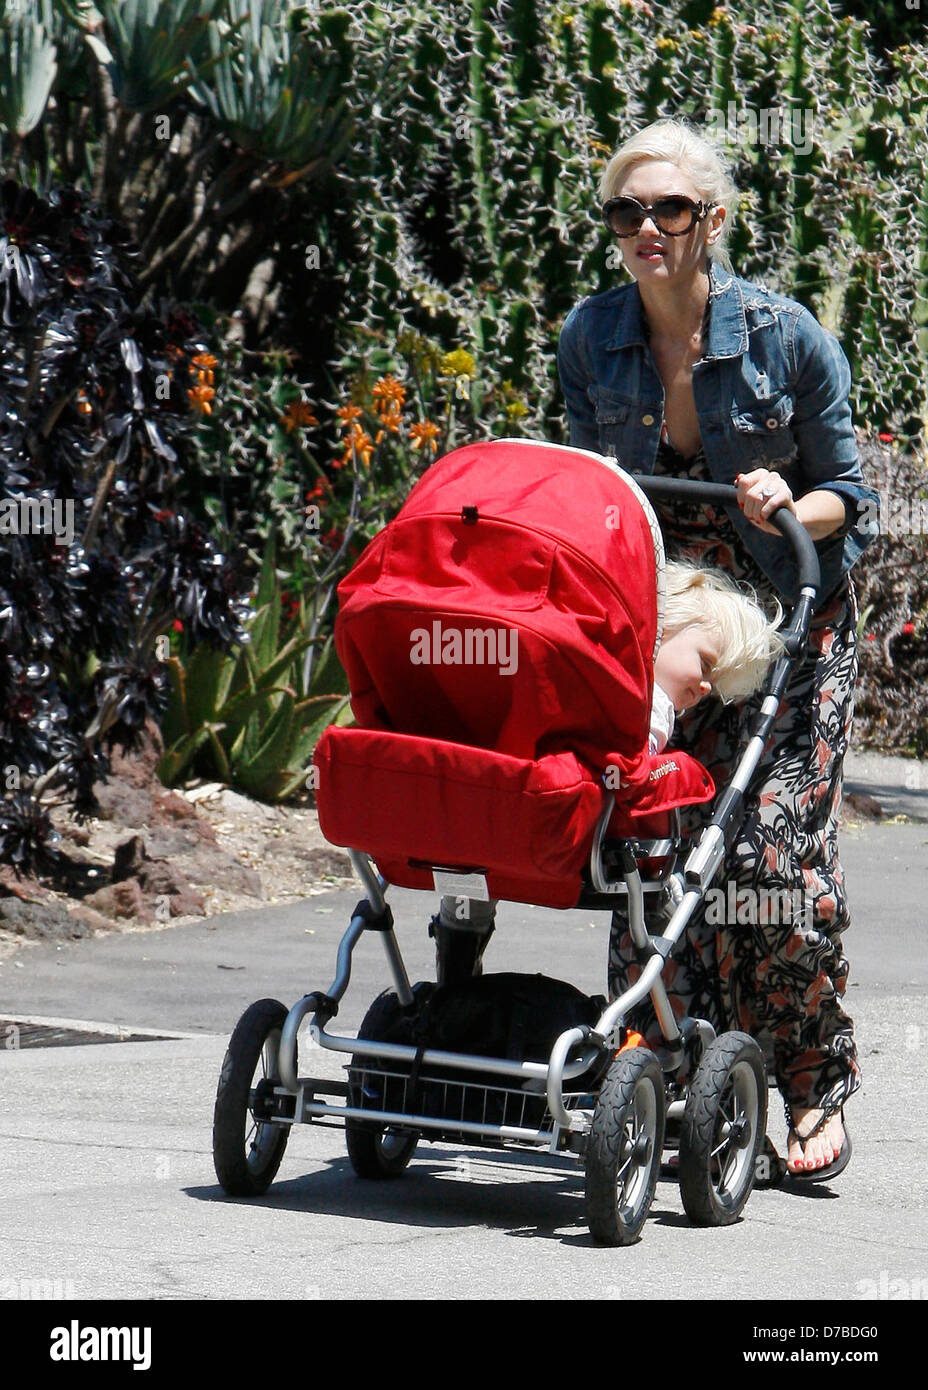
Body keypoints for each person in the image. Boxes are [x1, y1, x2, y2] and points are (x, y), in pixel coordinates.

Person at [556, 117, 879, 1181]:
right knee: (657, 836)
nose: (647, 228)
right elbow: (583, 491)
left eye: (671, 209)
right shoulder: (590, 336)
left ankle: (809, 1079)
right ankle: (647, 1063)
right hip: (662, 621)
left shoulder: (787, 339)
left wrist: (794, 497)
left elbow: (857, 501)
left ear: (713, 221)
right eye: (627, 211)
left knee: (769, 859)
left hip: (789, 621)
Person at [649, 560, 784, 755]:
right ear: (664, 625)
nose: (707, 687)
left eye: (711, 681)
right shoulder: (655, 708)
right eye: (704, 665)